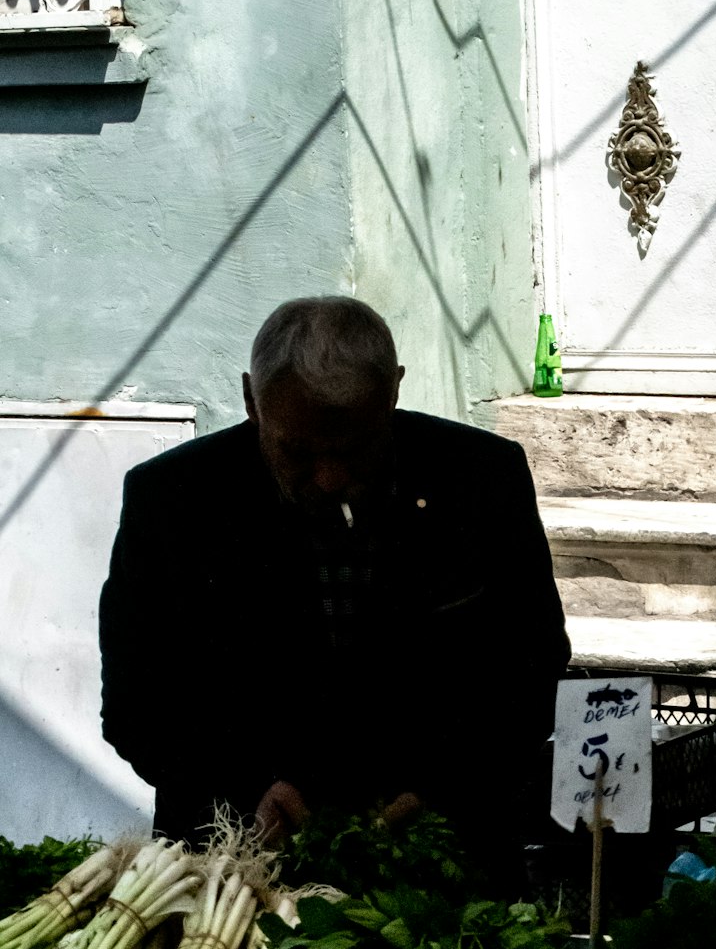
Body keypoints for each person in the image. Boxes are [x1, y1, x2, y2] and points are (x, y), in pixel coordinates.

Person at [99, 296, 570, 887]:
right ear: (251, 400)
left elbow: (532, 669)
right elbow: (137, 702)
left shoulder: (481, 478)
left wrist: (440, 787)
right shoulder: (172, 501)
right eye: (297, 450)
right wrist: (249, 789)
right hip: (227, 869)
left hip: (444, 862)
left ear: (394, 391)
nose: (330, 477)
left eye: (356, 448)